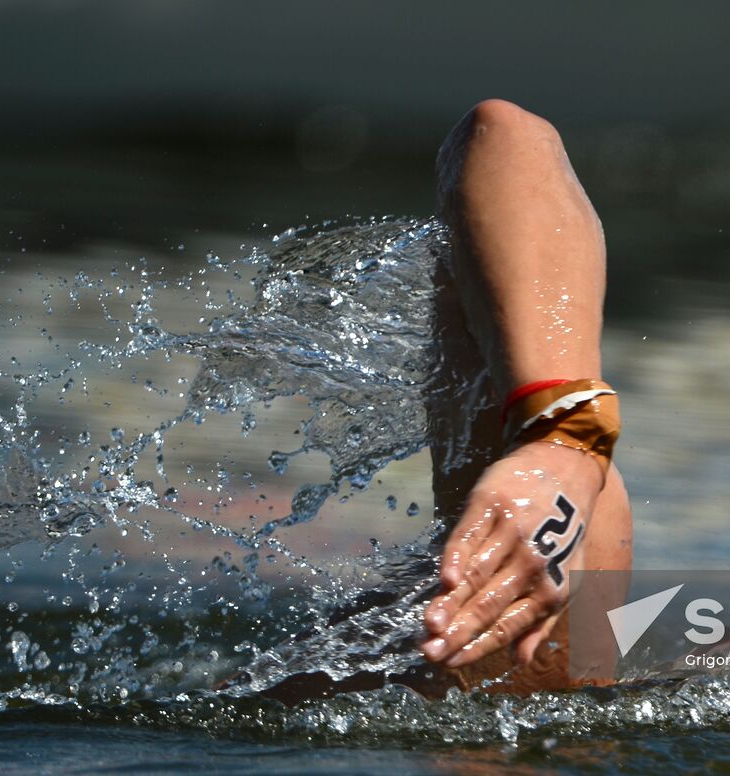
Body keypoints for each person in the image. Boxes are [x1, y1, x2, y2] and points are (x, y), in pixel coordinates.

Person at [255, 99, 631, 701]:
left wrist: (565, 442)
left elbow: (506, 136)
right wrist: (567, 438)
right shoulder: (520, 585)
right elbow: (505, 136)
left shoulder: (500, 616)